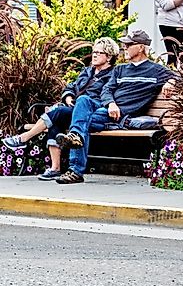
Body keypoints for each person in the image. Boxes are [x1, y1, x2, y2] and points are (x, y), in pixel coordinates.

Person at [52, 29, 175, 184]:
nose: (125, 47)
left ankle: (75, 171)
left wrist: (170, 82)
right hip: (107, 111)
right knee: (83, 101)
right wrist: (111, 104)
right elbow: (106, 90)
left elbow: (180, 78)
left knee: (80, 124)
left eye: (129, 44)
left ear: (141, 47)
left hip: (123, 116)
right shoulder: (120, 69)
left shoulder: (156, 70)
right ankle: (75, 146)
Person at [2, 37, 119, 180]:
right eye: (93, 51)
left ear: (109, 57)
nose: (94, 55)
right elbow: (71, 86)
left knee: (57, 113)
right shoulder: (87, 71)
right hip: (75, 108)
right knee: (56, 119)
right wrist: (68, 97)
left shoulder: (113, 74)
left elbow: (107, 95)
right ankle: (55, 168)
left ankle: (24, 138)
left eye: (99, 53)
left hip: (92, 112)